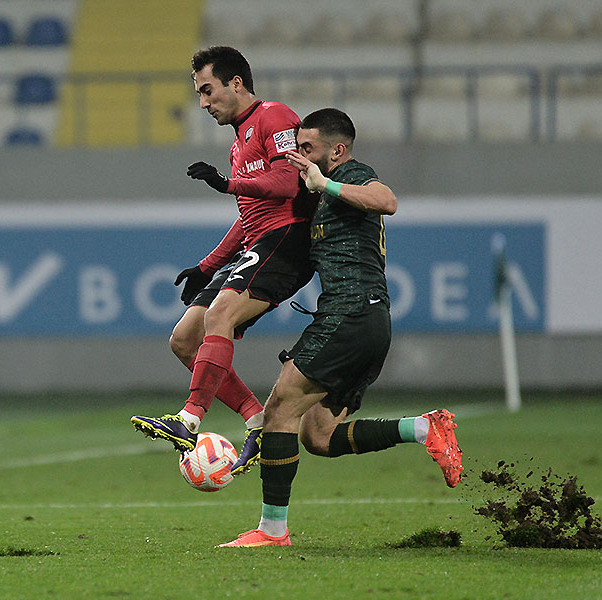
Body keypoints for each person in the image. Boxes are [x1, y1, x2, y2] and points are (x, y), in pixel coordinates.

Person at [217, 108, 463, 548]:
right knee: (318, 435)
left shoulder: (350, 175)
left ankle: (272, 531)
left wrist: (325, 183)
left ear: (338, 149)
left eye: (307, 147)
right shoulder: (317, 191)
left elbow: (387, 200)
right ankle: (425, 429)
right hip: (366, 321)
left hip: (350, 314)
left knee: (278, 410)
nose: (298, 153)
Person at [131, 46, 314, 475]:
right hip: (258, 240)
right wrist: (207, 266)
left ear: (236, 83)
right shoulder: (238, 143)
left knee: (221, 315)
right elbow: (247, 215)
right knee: (184, 339)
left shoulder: (275, 116)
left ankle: (189, 419)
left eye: (208, 91)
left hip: (286, 238)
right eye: (199, 94)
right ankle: (257, 421)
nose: (203, 103)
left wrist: (228, 183)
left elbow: (288, 183)